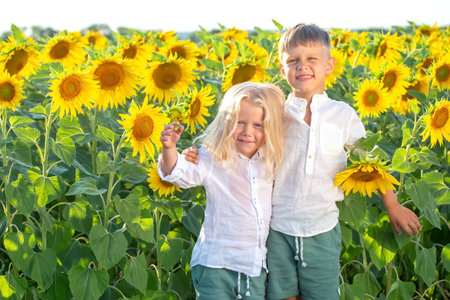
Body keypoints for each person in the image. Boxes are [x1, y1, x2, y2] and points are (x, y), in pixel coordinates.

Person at [184, 24, 422, 300]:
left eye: (312, 59)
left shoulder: (342, 115)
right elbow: (242, 142)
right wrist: (198, 155)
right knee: (283, 295)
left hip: (321, 227)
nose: (302, 67)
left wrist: (391, 204)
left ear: (329, 64)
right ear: (282, 67)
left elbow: (372, 160)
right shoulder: (277, 112)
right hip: (278, 230)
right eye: (293, 60)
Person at [157, 81, 289, 300]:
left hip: (253, 267)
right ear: (226, 122)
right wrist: (169, 148)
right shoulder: (214, 157)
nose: (247, 132)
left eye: (258, 125)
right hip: (216, 264)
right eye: (240, 122)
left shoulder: (270, 161)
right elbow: (180, 173)